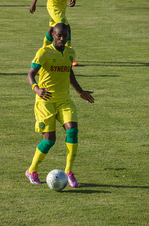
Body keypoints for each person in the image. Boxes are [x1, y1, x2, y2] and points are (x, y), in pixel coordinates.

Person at [25, 23, 94, 188]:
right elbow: (30, 74)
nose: (63, 39)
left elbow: (69, 71)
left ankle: (69, 172)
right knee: (49, 141)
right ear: (53, 34)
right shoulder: (44, 52)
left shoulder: (70, 52)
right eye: (59, 35)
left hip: (64, 100)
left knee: (73, 132)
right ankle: (31, 170)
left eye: (66, 35)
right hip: (45, 101)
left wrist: (79, 91)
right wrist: (37, 89)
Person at [30, 0, 79, 66]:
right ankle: (69, 55)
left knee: (51, 30)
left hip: (62, 5)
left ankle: (43, 50)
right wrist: (34, 2)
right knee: (66, 28)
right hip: (54, 6)